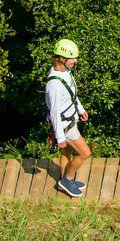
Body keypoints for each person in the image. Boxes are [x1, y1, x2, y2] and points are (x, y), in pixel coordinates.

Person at [44, 38, 90, 198]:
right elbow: (55, 112)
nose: (75, 61)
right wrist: (60, 136)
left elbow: (72, 95)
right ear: (62, 59)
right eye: (73, 58)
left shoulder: (66, 73)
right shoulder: (54, 84)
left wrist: (81, 109)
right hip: (64, 125)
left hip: (71, 119)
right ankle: (68, 179)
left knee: (68, 151)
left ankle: (65, 180)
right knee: (85, 153)